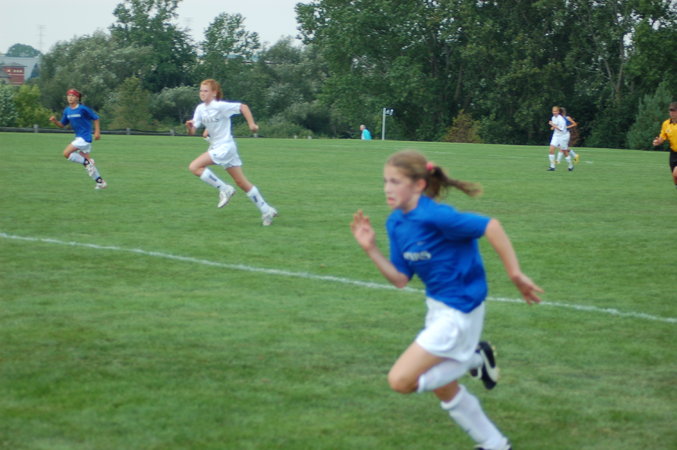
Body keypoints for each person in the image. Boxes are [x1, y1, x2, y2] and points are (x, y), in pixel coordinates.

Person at [350, 150, 542, 450]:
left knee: (401, 381)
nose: (387, 188)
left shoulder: (437, 216)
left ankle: (474, 358)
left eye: (395, 181)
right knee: (444, 388)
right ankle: (495, 444)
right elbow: (400, 279)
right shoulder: (395, 223)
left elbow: (490, 226)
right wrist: (371, 249)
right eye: (385, 181)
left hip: (461, 310)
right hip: (437, 309)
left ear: (418, 185)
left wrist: (515, 273)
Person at [185, 79, 277, 226]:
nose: (202, 93)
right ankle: (266, 210)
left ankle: (225, 189)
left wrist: (252, 124)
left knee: (194, 167)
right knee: (241, 182)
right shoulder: (200, 109)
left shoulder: (220, 106)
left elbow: (243, 107)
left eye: (206, 91)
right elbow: (193, 131)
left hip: (225, 147)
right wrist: (190, 127)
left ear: (214, 93)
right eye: (201, 90)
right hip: (219, 147)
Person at [49, 89, 107, 189]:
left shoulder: (83, 109)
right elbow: (62, 124)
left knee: (66, 153)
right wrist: (55, 121)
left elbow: (96, 118)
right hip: (79, 138)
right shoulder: (67, 111)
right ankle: (100, 182)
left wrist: (97, 132)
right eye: (68, 96)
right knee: (89, 165)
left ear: (77, 98)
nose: (70, 97)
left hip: (85, 138)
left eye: (73, 96)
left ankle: (87, 162)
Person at [652, 101, 677, 189]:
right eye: (671, 110)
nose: (672, 113)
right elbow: (662, 137)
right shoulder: (666, 124)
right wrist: (658, 141)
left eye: (674, 110)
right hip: (673, 153)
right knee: (675, 177)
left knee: (676, 173)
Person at [547, 106, 573, 172]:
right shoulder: (553, 117)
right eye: (553, 111)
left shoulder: (561, 119)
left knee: (564, 151)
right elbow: (555, 126)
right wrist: (553, 126)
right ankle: (552, 167)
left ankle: (570, 165)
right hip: (556, 135)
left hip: (563, 136)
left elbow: (561, 129)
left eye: (555, 111)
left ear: (558, 112)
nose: (554, 112)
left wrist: (552, 125)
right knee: (551, 150)